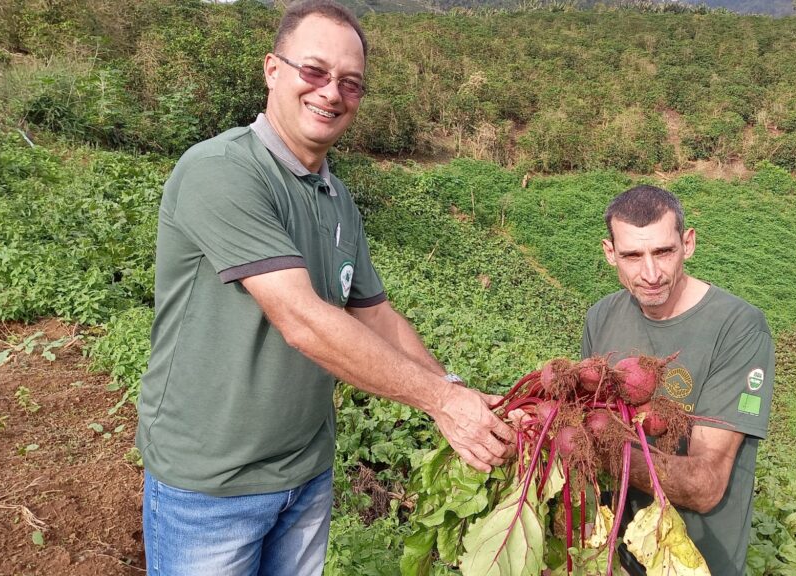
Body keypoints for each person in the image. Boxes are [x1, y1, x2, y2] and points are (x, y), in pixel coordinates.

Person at [134, 1, 515, 574]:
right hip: (213, 487)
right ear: (272, 70)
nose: (331, 93)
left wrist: (456, 389)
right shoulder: (222, 170)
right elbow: (302, 318)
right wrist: (440, 403)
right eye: (314, 72)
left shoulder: (338, 201)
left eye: (350, 83)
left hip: (307, 475)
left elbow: (375, 315)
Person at [581, 185, 774, 576]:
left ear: (688, 243)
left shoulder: (738, 328)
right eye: (633, 256)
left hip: (698, 559)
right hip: (616, 554)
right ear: (609, 253)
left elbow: (706, 484)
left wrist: (596, 448)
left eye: (663, 252)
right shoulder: (600, 317)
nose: (650, 273)